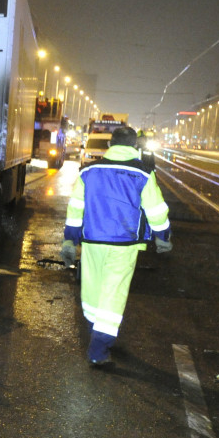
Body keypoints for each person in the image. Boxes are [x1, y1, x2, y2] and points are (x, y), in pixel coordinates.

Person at [61, 125, 171, 367]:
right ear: (134, 147)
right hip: (124, 244)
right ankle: (98, 350)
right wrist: (162, 236)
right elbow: (156, 209)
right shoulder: (143, 173)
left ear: (110, 145)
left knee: (92, 290)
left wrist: (70, 238)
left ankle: (94, 329)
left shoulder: (88, 171)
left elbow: (76, 208)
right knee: (113, 294)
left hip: (92, 241)